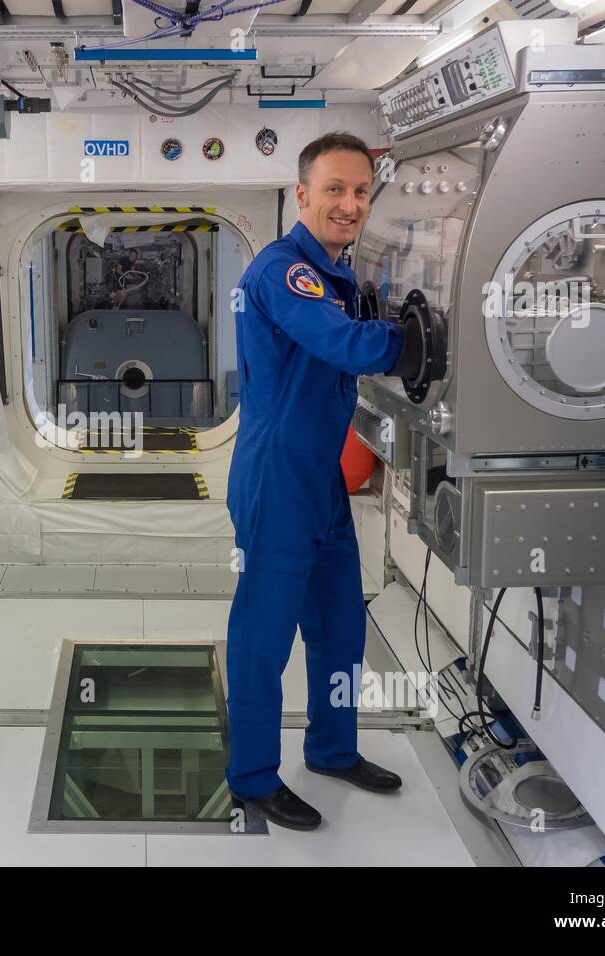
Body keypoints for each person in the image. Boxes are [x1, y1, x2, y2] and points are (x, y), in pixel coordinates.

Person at [225, 131, 423, 830]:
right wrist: (417, 342)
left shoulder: (336, 271)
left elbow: (345, 331)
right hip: (278, 478)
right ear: (302, 195)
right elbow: (341, 342)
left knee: (340, 628)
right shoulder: (286, 271)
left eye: (361, 191)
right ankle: (251, 776)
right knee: (263, 636)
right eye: (334, 189)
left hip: (321, 478)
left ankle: (333, 749)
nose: (349, 204)